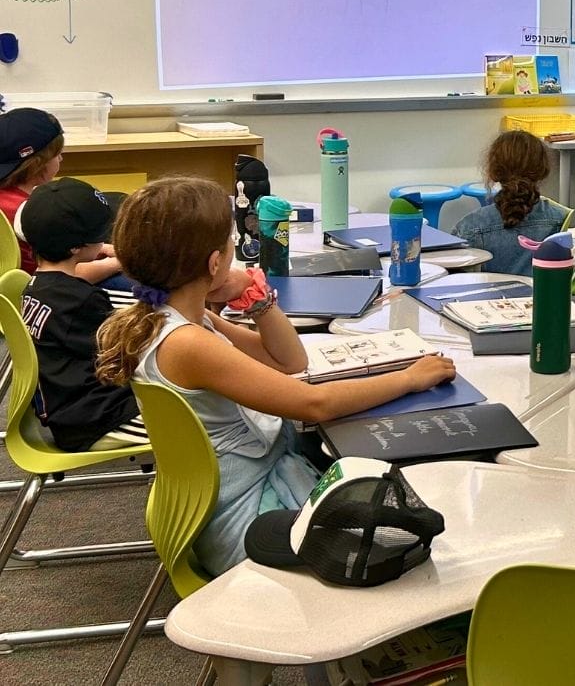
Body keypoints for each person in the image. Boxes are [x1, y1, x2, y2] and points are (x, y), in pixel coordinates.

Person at [95, 177, 455, 575]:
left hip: (236, 495)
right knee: (406, 533)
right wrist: (409, 378)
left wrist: (257, 299)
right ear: (214, 263)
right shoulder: (187, 343)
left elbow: (290, 362)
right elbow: (314, 403)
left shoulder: (171, 318)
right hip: (247, 517)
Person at [17, 179, 146, 452]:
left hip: (70, 410)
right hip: (99, 418)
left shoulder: (37, 288)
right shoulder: (80, 301)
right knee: (204, 416)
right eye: (101, 235)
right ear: (76, 248)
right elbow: (126, 355)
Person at [0, 108, 121, 282]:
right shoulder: (26, 212)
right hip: (52, 284)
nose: (61, 159)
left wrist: (105, 249)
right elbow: (61, 274)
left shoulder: (9, 199)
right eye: (58, 155)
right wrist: (118, 263)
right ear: (37, 165)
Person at [451, 130, 567, 274]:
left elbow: (453, 280)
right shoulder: (561, 219)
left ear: (494, 172)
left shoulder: (469, 227)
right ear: (543, 170)